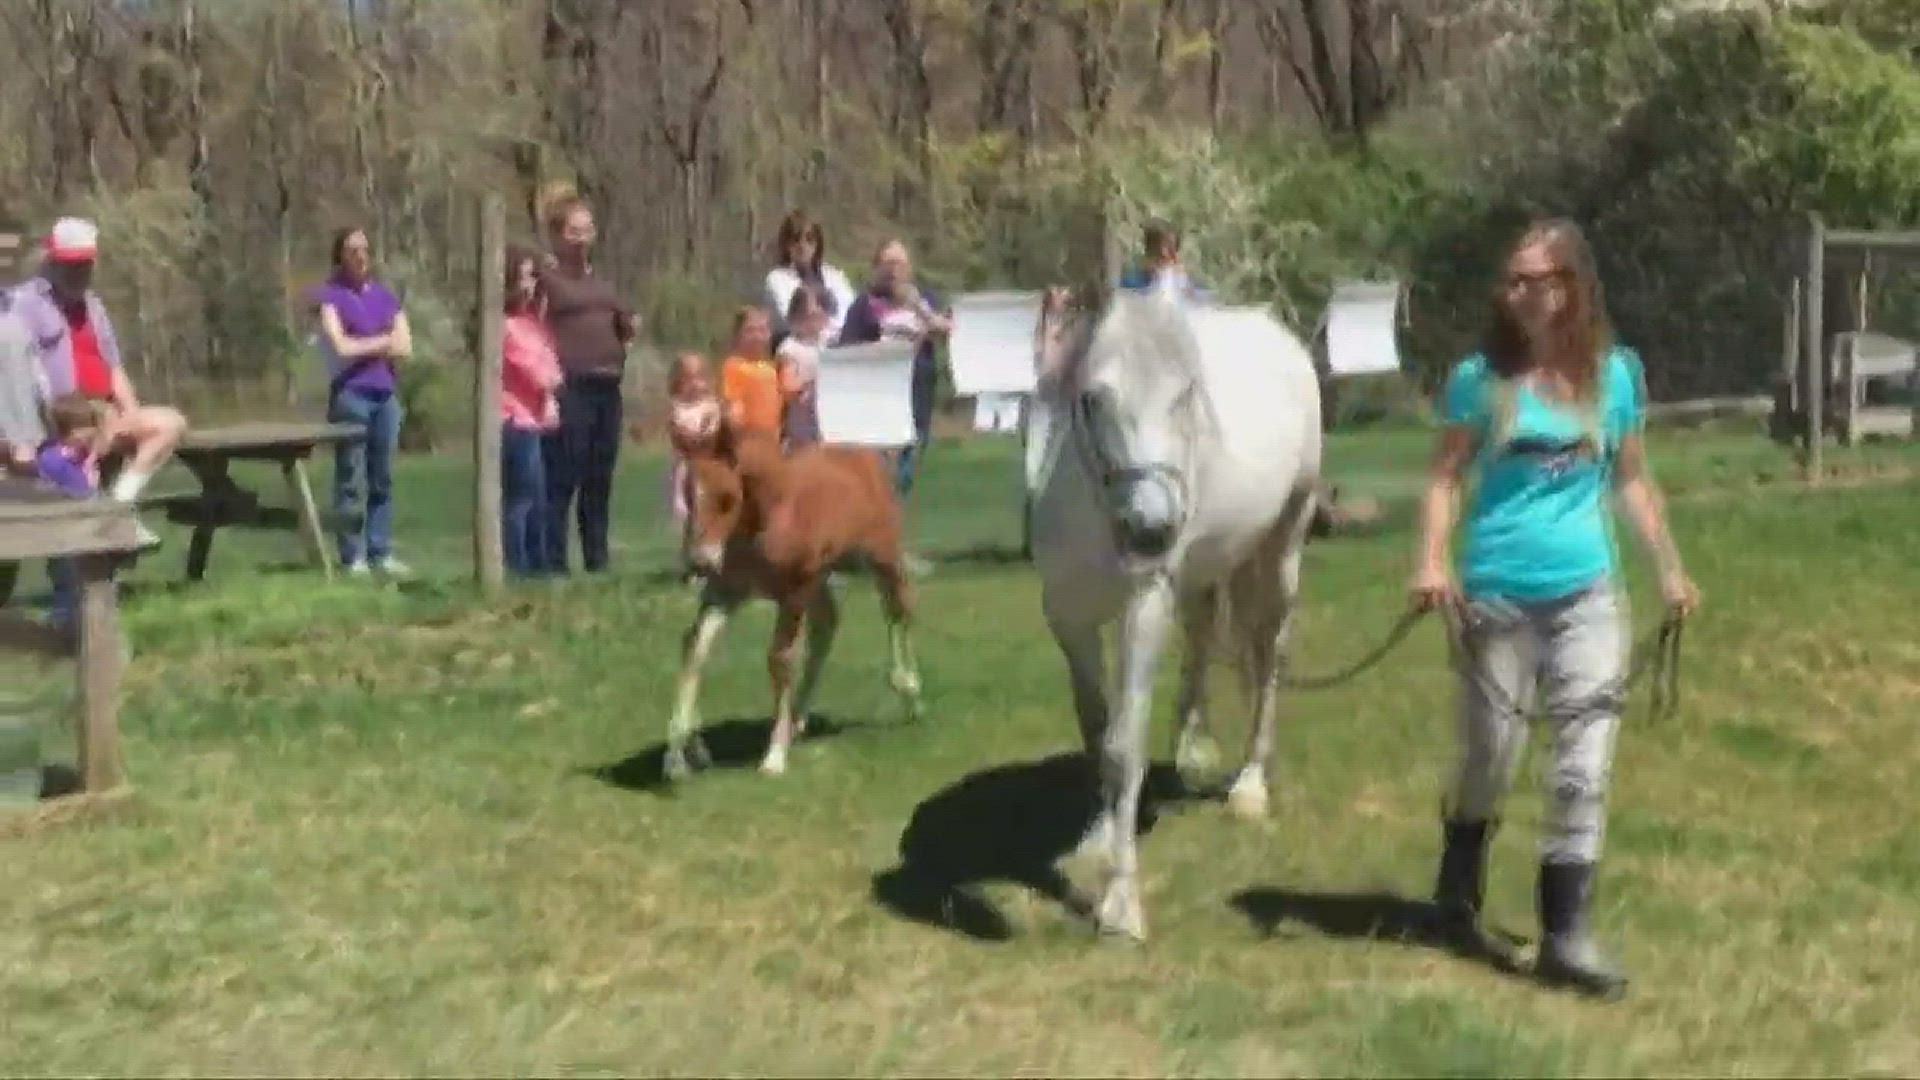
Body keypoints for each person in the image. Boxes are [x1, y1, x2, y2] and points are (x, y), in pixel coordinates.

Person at [1411, 218, 1699, 1000]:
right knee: (1490, 758)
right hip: (1496, 597)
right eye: (1511, 280)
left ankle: (1565, 936)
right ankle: (1457, 887)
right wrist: (1432, 562)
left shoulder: (1617, 377)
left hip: (1589, 596)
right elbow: (1443, 479)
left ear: (1572, 286)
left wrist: (1669, 569)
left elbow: (1632, 479)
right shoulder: (1480, 379)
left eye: (1534, 278)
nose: (1517, 293)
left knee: (1583, 764)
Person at [11, 217, 188, 506]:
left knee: (170, 423)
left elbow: (113, 367)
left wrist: (130, 414)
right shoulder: (25, 304)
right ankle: (91, 509)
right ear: (52, 261)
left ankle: (119, 503)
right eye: (70, 264)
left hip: (104, 416)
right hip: (62, 423)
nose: (77, 272)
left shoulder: (93, 305)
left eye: (84, 265)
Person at [540, 193, 638, 575]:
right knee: (564, 475)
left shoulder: (603, 283)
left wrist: (625, 339)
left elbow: (624, 323)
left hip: (607, 385)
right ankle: (554, 561)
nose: (581, 238)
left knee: (599, 476)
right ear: (557, 236)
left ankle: (598, 559)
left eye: (587, 230)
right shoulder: (548, 279)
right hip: (571, 386)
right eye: (573, 231)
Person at [314, 226, 412, 578]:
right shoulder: (330, 298)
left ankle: (380, 550)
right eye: (352, 250)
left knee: (382, 477)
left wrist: (369, 344)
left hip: (386, 397)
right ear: (339, 255)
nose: (360, 256)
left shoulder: (386, 297)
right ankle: (352, 555)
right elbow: (341, 348)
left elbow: (405, 346)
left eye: (365, 250)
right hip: (351, 395)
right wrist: (382, 341)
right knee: (350, 479)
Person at [835, 239, 953, 502]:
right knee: (880, 471)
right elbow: (846, 351)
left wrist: (920, 310)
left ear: (909, 268)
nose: (894, 270)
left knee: (910, 466)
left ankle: (903, 523)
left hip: (917, 395)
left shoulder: (925, 300)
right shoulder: (864, 306)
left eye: (900, 263)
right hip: (879, 400)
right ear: (876, 267)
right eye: (888, 263)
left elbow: (948, 331)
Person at [500, 244, 564, 579]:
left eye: (533, 278)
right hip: (514, 419)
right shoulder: (504, 325)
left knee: (539, 498)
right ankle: (517, 567)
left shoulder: (532, 323)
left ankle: (538, 567)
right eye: (526, 277)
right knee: (521, 499)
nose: (531, 285)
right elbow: (532, 370)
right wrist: (549, 387)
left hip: (536, 419)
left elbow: (553, 365)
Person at [664, 352, 722, 578]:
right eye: (687, 379)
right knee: (689, 516)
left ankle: (709, 560)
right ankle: (690, 562)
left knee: (708, 514)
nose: (694, 385)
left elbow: (714, 434)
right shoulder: (677, 409)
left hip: (709, 468)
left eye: (699, 378)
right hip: (685, 468)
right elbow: (682, 437)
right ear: (677, 382)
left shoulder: (712, 407)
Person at [763, 210, 856, 345]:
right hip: (795, 349)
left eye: (809, 239)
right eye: (795, 239)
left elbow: (849, 312)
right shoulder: (777, 280)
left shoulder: (834, 276)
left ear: (818, 243)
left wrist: (831, 333)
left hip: (836, 345)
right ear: (786, 244)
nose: (802, 246)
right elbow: (792, 319)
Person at [718, 306, 783, 441]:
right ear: (738, 335)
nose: (757, 337)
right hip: (747, 441)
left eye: (762, 330)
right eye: (750, 330)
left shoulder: (770, 368)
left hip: (771, 441)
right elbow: (732, 407)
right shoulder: (734, 366)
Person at [776, 286, 829, 450]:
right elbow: (788, 387)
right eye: (807, 316)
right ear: (794, 317)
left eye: (818, 316)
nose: (813, 323)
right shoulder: (789, 349)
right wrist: (809, 386)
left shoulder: (828, 344)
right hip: (801, 433)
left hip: (828, 428)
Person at [33, 393, 111, 500]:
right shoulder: (53, 458)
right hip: (71, 498)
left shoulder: (83, 448)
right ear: (74, 432)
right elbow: (79, 488)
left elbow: (103, 444)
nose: (94, 431)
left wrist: (92, 458)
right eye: (90, 426)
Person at [1117, 219, 1208, 301]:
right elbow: (1126, 296)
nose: (1171, 255)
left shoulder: (1177, 276)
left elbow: (1193, 300)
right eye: (1167, 247)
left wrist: (1187, 288)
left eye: (1174, 249)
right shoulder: (1133, 276)